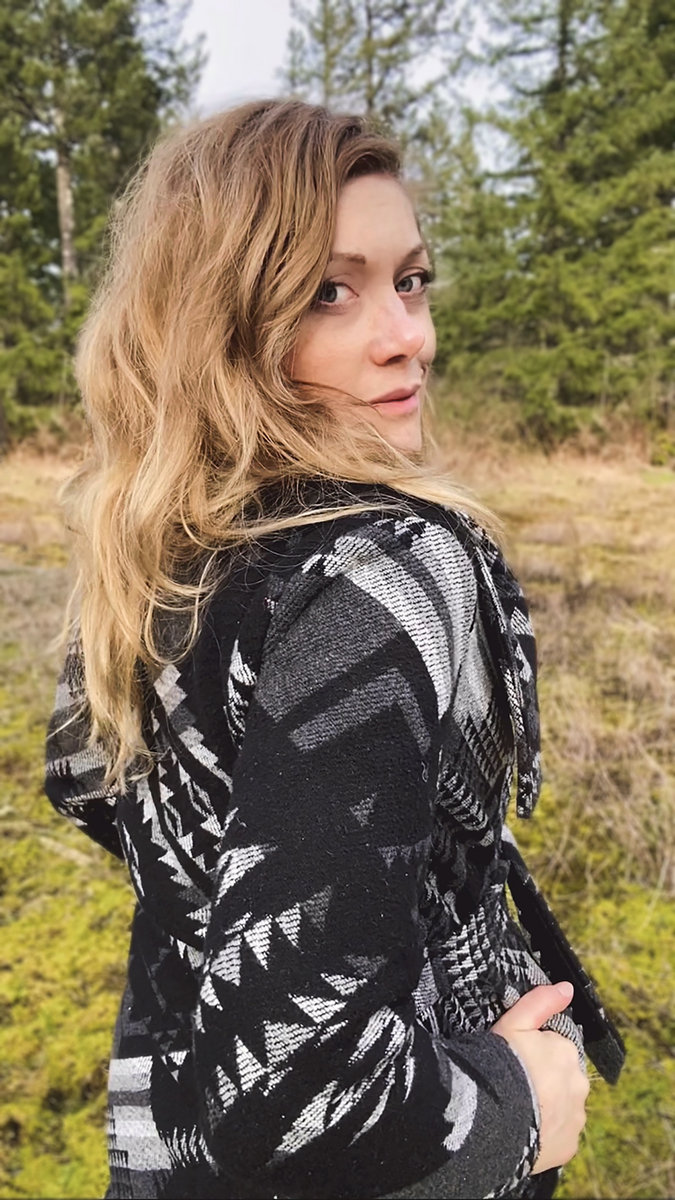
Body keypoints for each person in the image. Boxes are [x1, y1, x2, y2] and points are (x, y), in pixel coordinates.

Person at [44, 99, 592, 1200]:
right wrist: (519, 1106)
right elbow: (296, 1094)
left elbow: (109, 796)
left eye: (411, 281)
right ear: (217, 322)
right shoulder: (379, 573)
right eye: (328, 293)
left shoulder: (171, 561)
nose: (407, 337)